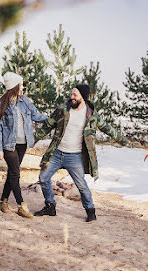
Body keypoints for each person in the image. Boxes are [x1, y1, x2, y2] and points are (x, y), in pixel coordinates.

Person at [33, 84, 130, 222]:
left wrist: (123, 141)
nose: (71, 97)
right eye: (71, 94)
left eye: (75, 95)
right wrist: (33, 139)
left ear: (83, 97)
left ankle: (90, 210)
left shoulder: (91, 116)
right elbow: (48, 125)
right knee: (43, 178)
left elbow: (107, 128)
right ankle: (50, 206)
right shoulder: (62, 110)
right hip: (57, 153)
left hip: (75, 156)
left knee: (82, 186)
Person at [0, 72, 48, 218]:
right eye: (21, 84)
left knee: (12, 173)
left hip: (23, 144)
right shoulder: (0, 105)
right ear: (15, 86)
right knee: (16, 174)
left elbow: (37, 116)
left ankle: (3, 202)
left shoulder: (25, 102)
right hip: (9, 145)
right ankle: (21, 205)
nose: (23, 86)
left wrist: (54, 118)